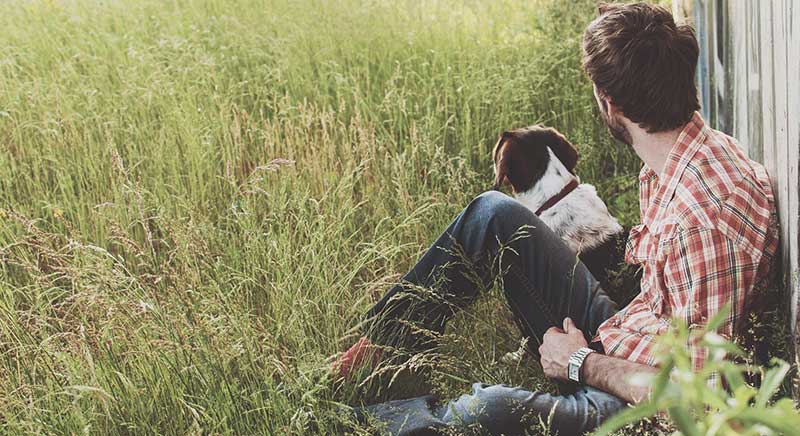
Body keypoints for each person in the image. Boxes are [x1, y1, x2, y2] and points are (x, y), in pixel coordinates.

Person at [333, 2, 779, 435]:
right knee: (494, 212)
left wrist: (579, 361)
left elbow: (694, 401)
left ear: (609, 103)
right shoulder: (689, 155)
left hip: (639, 403)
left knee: (486, 410)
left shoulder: (698, 223)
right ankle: (374, 351)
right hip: (635, 339)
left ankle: (355, 422)